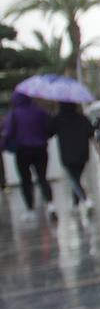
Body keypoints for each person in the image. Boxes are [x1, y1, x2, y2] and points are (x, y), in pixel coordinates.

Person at [3, 92, 56, 222]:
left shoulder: (14, 114)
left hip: (23, 151)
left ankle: (30, 209)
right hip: (40, 149)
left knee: (25, 181)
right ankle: (50, 205)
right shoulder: (40, 112)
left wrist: (3, 146)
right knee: (43, 178)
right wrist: (43, 138)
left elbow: (8, 133)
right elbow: (50, 128)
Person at [53, 103, 94, 216]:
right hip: (82, 152)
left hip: (67, 153)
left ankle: (86, 200)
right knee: (76, 177)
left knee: (74, 179)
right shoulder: (82, 117)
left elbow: (50, 131)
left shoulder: (58, 119)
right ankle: (76, 204)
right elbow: (91, 131)